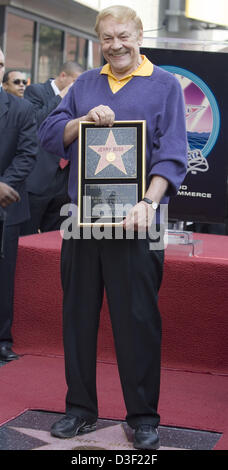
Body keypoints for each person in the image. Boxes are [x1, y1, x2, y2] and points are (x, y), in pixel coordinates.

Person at [38, 6, 188, 449]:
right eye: (107, 38)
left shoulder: (165, 86)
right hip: (82, 221)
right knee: (78, 319)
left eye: (123, 35)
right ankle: (80, 410)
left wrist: (149, 202)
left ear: (139, 34)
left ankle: (143, 416)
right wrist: (80, 121)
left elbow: (173, 154)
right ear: (98, 40)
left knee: (138, 322)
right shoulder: (84, 84)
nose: (116, 45)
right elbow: (49, 132)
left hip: (140, 223)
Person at [0, 48, 37, 362]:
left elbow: (27, 154)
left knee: (3, 274)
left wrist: (4, 184)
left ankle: (1, 340)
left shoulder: (22, 109)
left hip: (6, 204)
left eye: (0, 63)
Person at [20, 62, 83, 235]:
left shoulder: (78, 100)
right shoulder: (36, 91)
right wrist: (62, 96)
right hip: (39, 177)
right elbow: (35, 123)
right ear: (63, 76)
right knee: (27, 235)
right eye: (75, 82)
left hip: (64, 179)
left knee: (54, 236)